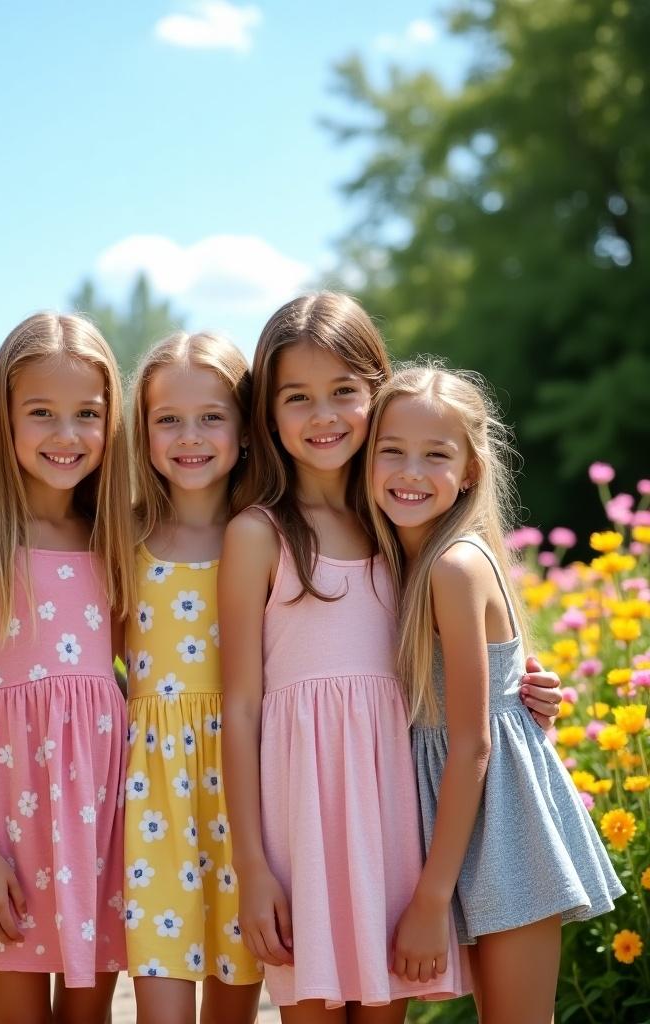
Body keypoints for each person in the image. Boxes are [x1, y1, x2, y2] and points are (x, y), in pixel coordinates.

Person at [218, 293, 563, 1023]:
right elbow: (241, 705)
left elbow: (469, 655)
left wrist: (525, 684)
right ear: (268, 416)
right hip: (298, 827)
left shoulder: (405, 528)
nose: (324, 416)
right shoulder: (259, 535)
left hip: (391, 825)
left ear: (377, 393)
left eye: (345, 392)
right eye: (298, 398)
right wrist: (251, 866)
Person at [366, 363, 623, 1024]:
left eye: (436, 455)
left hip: (501, 819)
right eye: (391, 451)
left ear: (470, 471)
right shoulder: (396, 560)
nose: (410, 472)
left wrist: (429, 899)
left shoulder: (454, 564)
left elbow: (476, 743)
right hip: (452, 814)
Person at [0, 312, 136, 1024]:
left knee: (90, 1014)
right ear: (5, 419)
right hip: (8, 819)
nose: (66, 434)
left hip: (103, 812)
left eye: (87, 413)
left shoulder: (116, 537)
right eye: (42, 413)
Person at [123, 331, 263, 1024]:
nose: (190, 436)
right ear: (142, 431)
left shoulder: (270, 535)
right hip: (155, 799)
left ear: (244, 427)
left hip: (251, 791)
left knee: (232, 1009)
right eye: (168, 419)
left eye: (212, 416)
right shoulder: (120, 539)